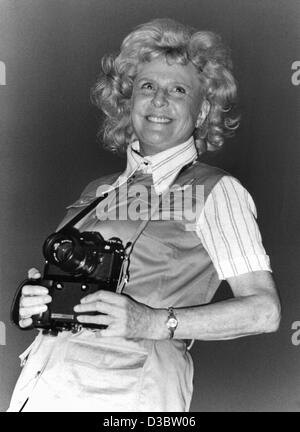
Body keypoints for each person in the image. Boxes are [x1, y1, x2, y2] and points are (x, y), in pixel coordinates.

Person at [8, 18, 281, 412]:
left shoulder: (216, 190)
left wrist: (154, 322)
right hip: (45, 381)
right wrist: (32, 303)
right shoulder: (96, 191)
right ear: (128, 101)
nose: (158, 101)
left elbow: (264, 311)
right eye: (147, 86)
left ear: (202, 111)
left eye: (178, 90)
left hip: (130, 393)